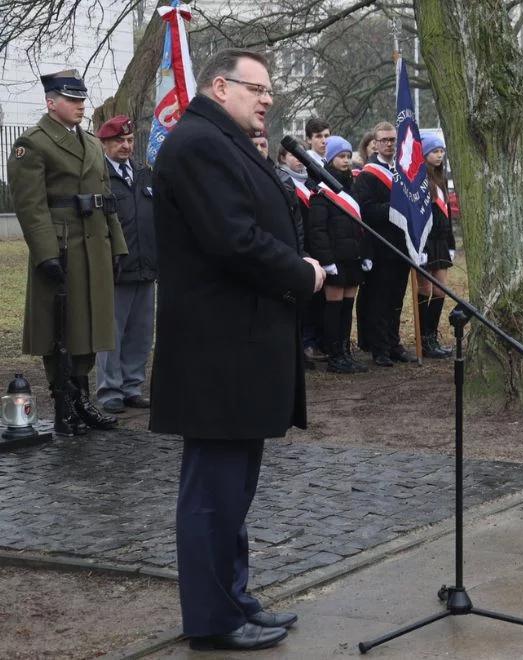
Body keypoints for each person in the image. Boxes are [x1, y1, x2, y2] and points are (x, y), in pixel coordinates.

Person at [152, 48, 324, 651]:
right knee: (212, 495)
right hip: (216, 350)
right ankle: (213, 619)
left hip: (238, 346)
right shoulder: (199, 144)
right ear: (220, 86)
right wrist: (301, 274)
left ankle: (234, 597)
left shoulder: (220, 141)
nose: (268, 99)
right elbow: (234, 240)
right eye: (259, 89)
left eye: (270, 92)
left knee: (233, 491)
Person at [7, 69, 127, 435]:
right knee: (60, 327)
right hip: (62, 248)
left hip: (94, 245)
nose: (80, 105)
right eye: (72, 99)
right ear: (51, 102)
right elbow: (30, 206)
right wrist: (45, 255)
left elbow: (106, 200)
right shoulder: (33, 143)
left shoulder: (91, 143)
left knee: (89, 326)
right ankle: (65, 402)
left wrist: (118, 246)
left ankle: (82, 397)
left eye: (81, 99)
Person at [94, 115, 155, 414]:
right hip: (115, 269)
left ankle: (132, 386)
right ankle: (109, 391)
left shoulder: (144, 175)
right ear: (104, 143)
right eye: (119, 140)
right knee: (111, 334)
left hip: (145, 267)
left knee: (141, 333)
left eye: (130, 140)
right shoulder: (99, 176)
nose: (126, 145)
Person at [307, 136, 371, 373]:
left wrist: (365, 254)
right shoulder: (322, 192)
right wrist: (327, 261)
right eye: (340, 157)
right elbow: (317, 231)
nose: (345, 161)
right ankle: (334, 355)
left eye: (347, 156)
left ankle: (345, 352)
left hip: (352, 258)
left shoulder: (350, 188)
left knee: (347, 307)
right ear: (330, 159)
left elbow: (360, 225)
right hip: (334, 260)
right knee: (333, 308)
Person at [352, 121, 414, 366]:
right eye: (384, 140)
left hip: (402, 245)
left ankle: (393, 342)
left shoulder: (404, 170)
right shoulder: (368, 174)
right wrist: (395, 208)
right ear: (375, 143)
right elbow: (365, 211)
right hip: (380, 246)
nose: (389, 144)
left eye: (392, 140)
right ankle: (380, 349)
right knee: (380, 299)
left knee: (397, 299)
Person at [416, 131, 457, 358]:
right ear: (424, 154)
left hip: (440, 241)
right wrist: (418, 248)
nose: (439, 155)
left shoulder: (441, 179)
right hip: (425, 242)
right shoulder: (420, 181)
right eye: (434, 151)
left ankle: (431, 335)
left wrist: (450, 242)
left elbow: (447, 215)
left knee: (441, 289)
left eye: (441, 151)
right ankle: (423, 338)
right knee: (425, 288)